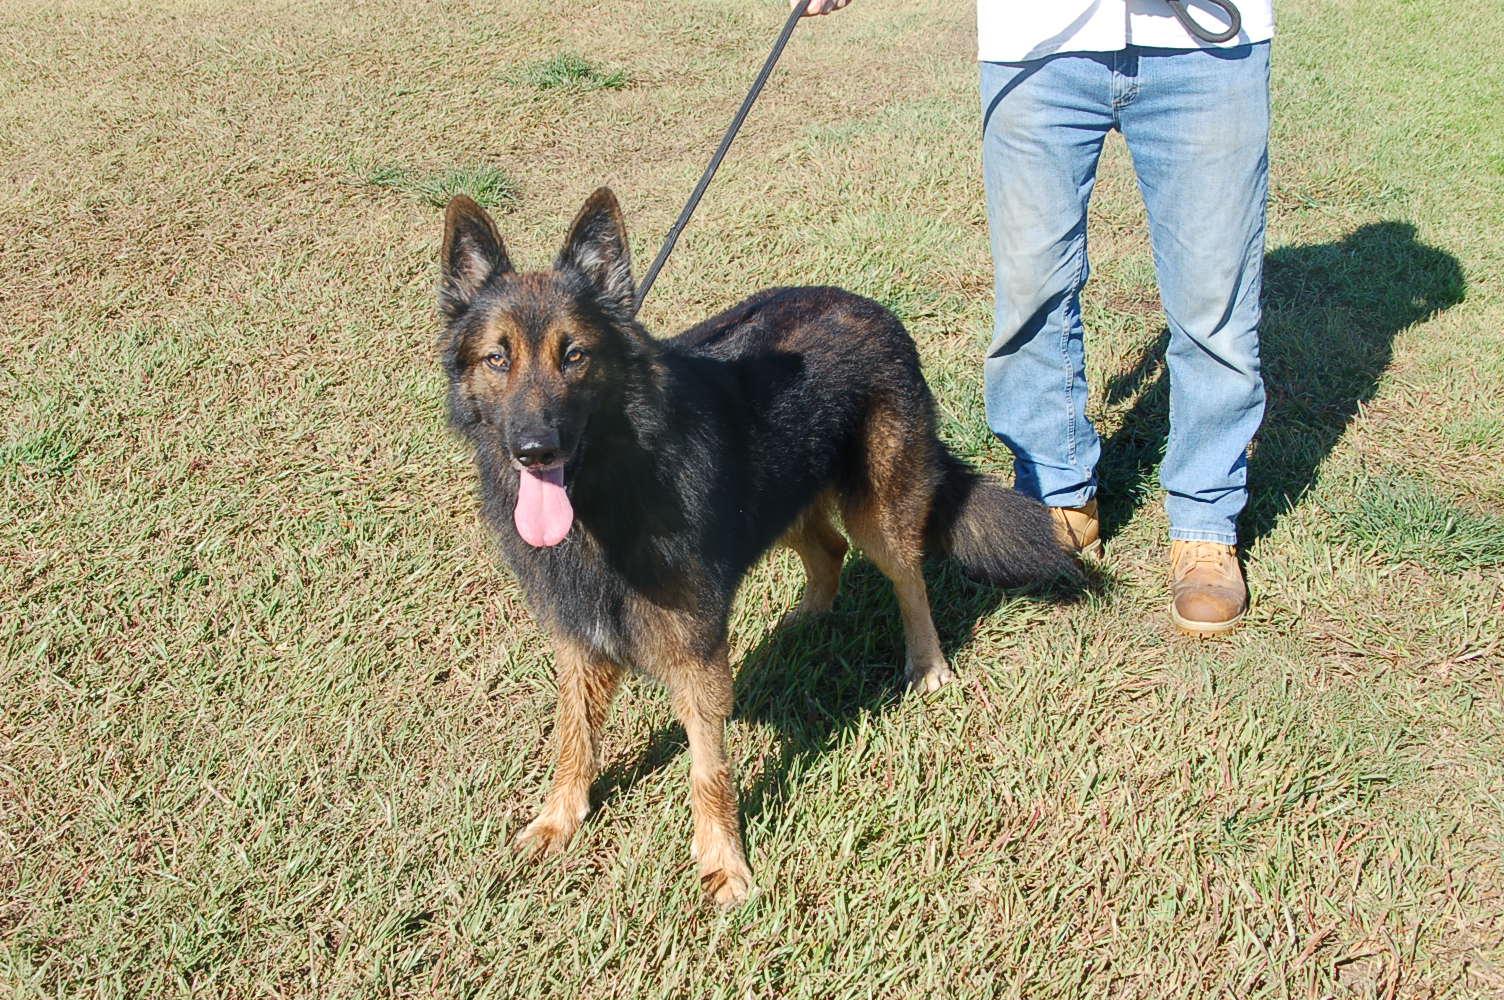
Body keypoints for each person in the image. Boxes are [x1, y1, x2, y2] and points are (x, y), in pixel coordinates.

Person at [795, 0, 1273, 635]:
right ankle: (1055, 496)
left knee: (1215, 302)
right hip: (1037, 40)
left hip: (1207, 44)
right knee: (1031, 292)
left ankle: (1205, 522)